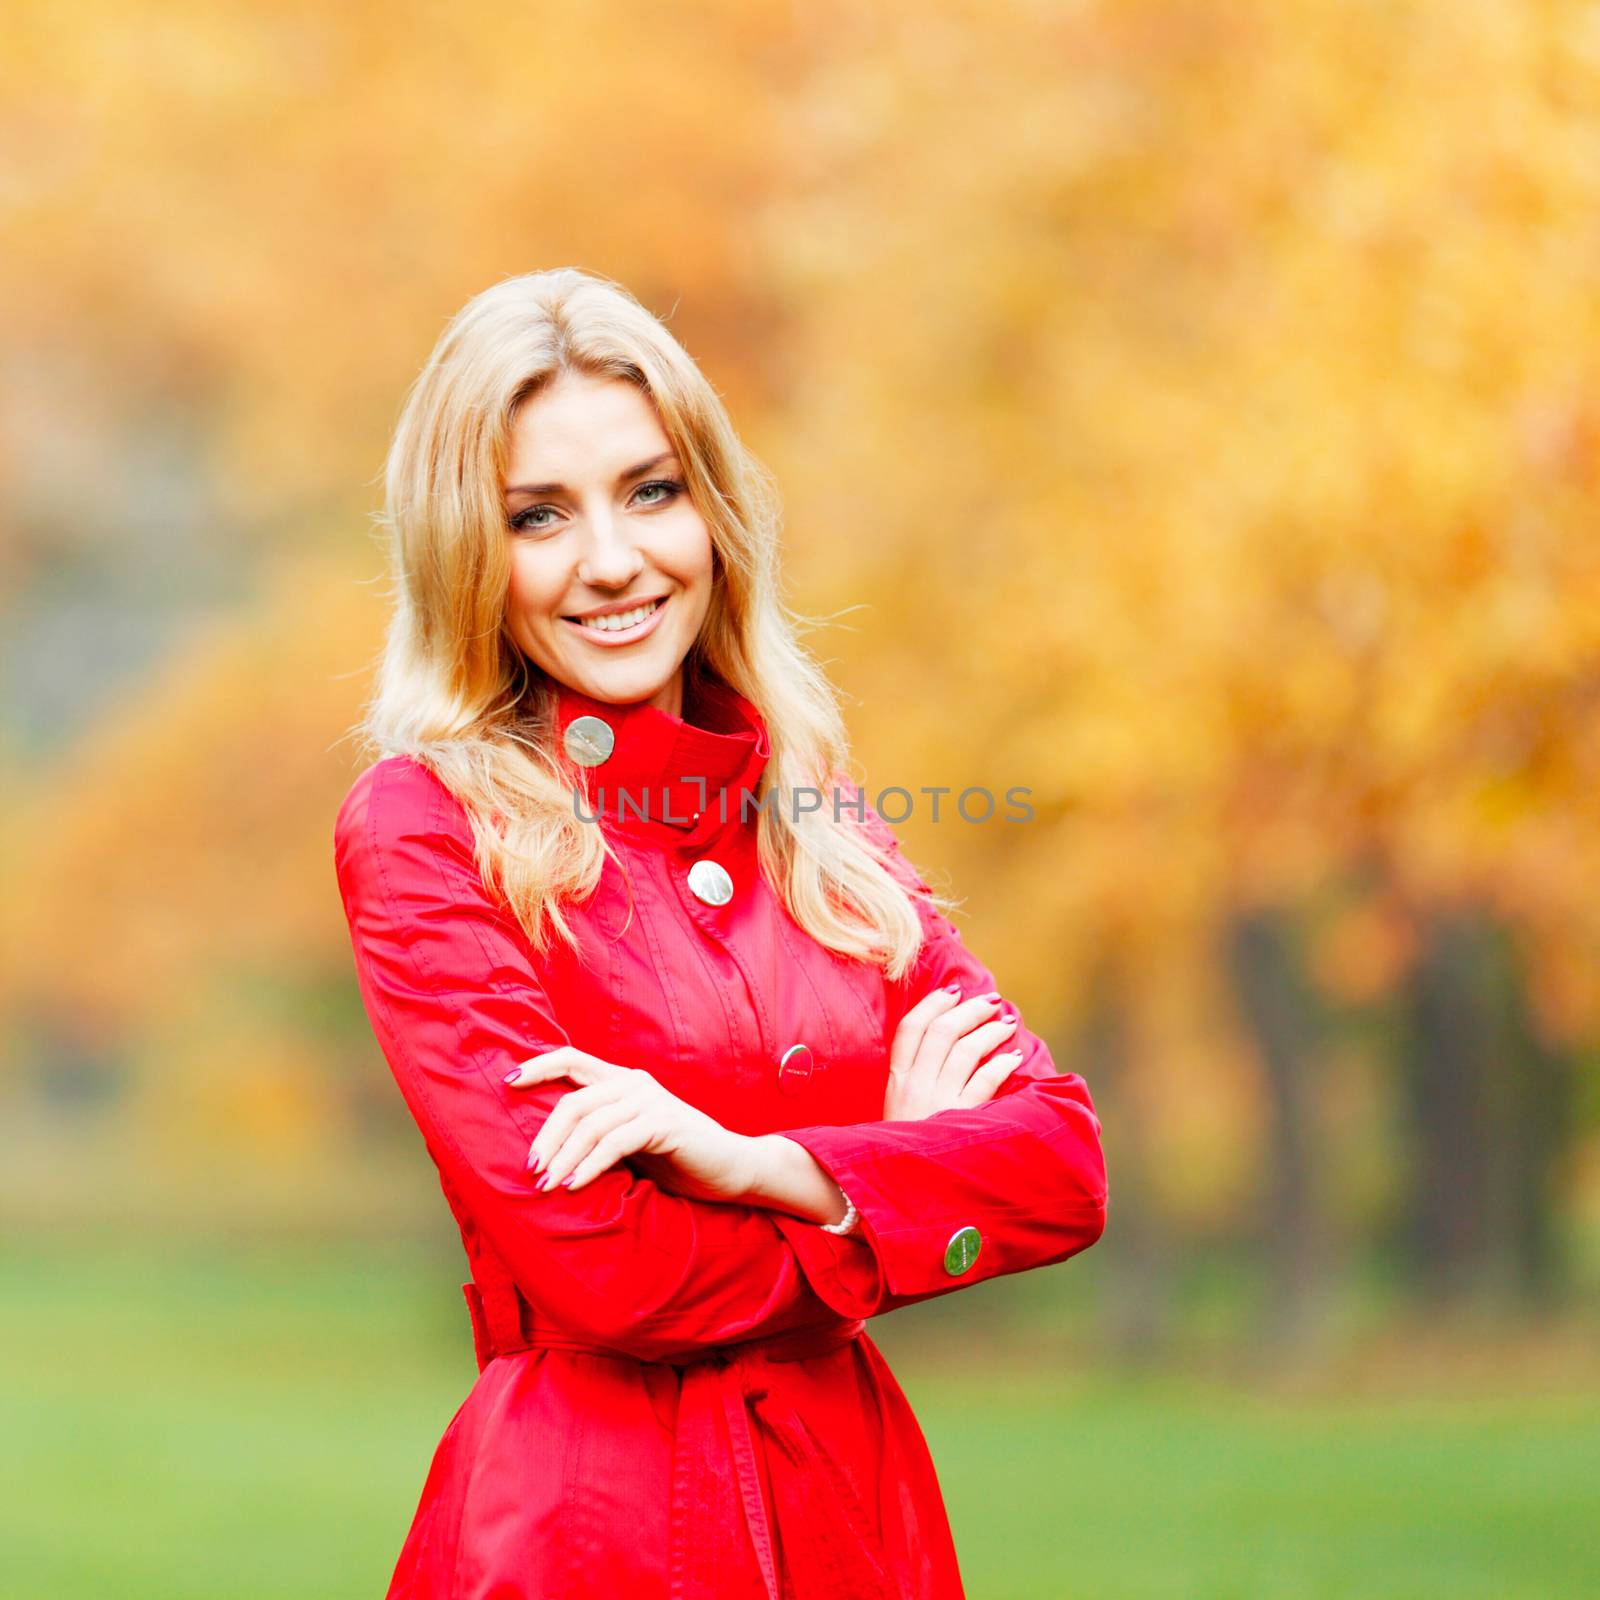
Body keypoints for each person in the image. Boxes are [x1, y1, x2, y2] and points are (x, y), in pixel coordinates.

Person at [332, 266, 1108, 1600]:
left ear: (714, 510)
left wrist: (763, 1167)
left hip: (854, 1515)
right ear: (469, 551)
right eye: (539, 516)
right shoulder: (423, 829)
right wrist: (896, 1177)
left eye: (651, 491)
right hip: (591, 1535)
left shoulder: (815, 817)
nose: (615, 562)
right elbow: (612, 1276)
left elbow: (1061, 1169)